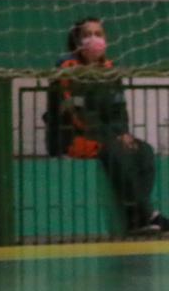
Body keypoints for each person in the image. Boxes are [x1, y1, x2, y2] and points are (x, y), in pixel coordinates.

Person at [45, 17, 169, 234]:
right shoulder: (66, 70)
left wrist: (124, 133)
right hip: (71, 137)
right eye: (87, 34)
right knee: (115, 150)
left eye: (99, 34)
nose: (94, 39)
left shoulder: (110, 70)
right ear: (77, 41)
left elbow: (118, 110)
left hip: (108, 136)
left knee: (144, 151)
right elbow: (78, 115)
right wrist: (113, 136)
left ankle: (137, 218)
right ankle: (148, 214)